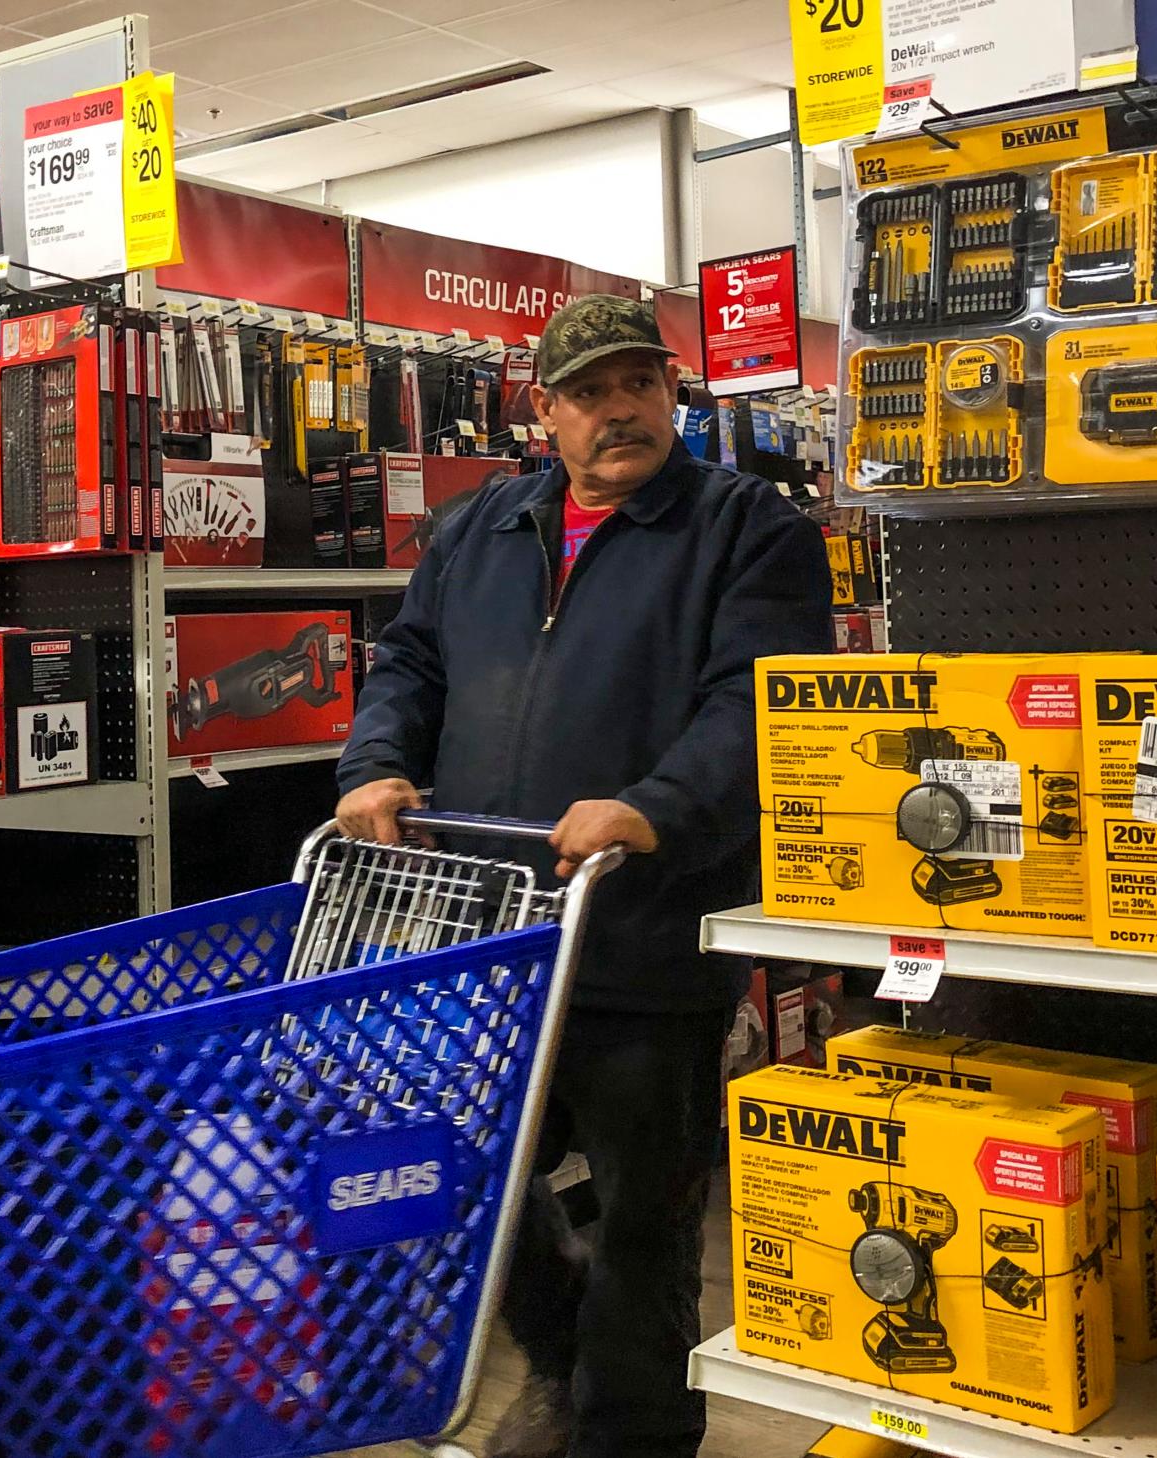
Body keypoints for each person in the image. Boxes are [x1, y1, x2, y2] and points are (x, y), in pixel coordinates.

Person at [335, 294, 834, 1458]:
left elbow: (758, 700)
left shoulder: (746, 526)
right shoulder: (478, 530)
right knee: (473, 1191)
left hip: (642, 933)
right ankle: (563, 1375)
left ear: (670, 394)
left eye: (640, 387)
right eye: (590, 394)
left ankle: (633, 1435)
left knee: (645, 1223)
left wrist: (653, 811)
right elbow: (408, 661)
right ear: (543, 413)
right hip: (484, 934)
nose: (620, 412)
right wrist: (373, 762)